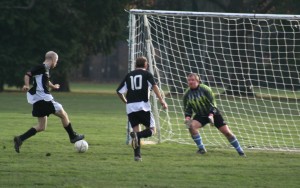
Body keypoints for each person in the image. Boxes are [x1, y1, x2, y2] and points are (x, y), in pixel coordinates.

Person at [13, 51, 84, 153]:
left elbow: (45, 80)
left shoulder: (45, 69)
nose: (56, 63)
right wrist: (27, 85)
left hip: (38, 101)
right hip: (44, 99)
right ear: (52, 59)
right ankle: (73, 136)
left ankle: (20, 139)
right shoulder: (41, 67)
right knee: (63, 114)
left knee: (41, 127)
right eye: (57, 61)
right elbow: (28, 74)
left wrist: (53, 86)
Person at [116, 56, 168, 161]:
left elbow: (119, 91)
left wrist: (125, 101)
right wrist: (162, 100)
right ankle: (137, 135)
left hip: (130, 107)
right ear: (146, 65)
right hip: (143, 106)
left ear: (135, 65)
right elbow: (154, 87)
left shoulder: (129, 75)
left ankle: (137, 156)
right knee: (152, 130)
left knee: (136, 129)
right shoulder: (147, 74)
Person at [183, 73, 245, 156]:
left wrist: (211, 115)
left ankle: (240, 152)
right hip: (200, 115)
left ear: (198, 81)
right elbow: (188, 108)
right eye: (189, 80)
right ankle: (202, 149)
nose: (190, 82)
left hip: (214, 114)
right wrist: (187, 117)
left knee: (227, 133)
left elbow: (213, 104)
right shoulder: (187, 94)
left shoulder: (205, 89)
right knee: (190, 126)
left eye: (193, 80)